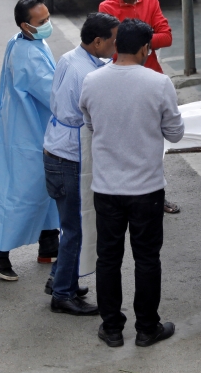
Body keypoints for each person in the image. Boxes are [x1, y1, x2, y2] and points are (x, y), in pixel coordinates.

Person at [79, 18, 184, 348]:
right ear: (144, 48)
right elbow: (175, 133)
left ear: (116, 44)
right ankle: (146, 328)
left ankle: (112, 328)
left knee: (108, 259)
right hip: (146, 189)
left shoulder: (92, 81)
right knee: (147, 259)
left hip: (106, 188)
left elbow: (90, 123)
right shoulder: (158, 83)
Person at [0, 0, 60, 281]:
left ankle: (49, 241)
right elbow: (53, 93)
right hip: (30, 132)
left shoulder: (24, 41)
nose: (47, 24)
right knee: (25, 193)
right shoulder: (29, 54)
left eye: (48, 18)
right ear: (26, 25)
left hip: (28, 127)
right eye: (42, 21)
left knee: (47, 187)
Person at [41, 12, 120, 317]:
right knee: (75, 228)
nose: (116, 46)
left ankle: (61, 280)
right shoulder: (86, 74)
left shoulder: (70, 58)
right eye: (113, 40)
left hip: (56, 149)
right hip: (70, 156)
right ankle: (62, 294)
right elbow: (91, 117)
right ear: (98, 41)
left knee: (72, 226)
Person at [99, 0, 181, 215]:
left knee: (153, 143)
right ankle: (123, 194)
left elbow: (166, 37)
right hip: (121, 83)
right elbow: (109, 48)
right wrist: (144, 40)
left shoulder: (151, 0)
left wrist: (131, 42)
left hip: (151, 79)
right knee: (123, 141)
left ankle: (157, 194)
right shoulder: (106, 8)